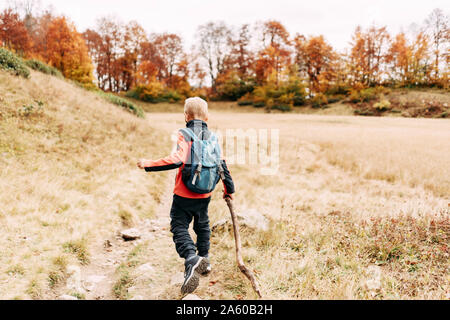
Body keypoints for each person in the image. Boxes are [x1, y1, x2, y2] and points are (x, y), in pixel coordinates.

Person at [137, 97, 235, 295]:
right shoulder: (213, 137)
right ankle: (204, 260)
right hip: (206, 192)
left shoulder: (184, 133)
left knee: (179, 225)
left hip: (184, 193)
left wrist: (148, 163)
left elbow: (176, 160)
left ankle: (191, 258)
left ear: (185, 116)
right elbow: (222, 165)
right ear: (207, 116)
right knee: (202, 225)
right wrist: (228, 190)